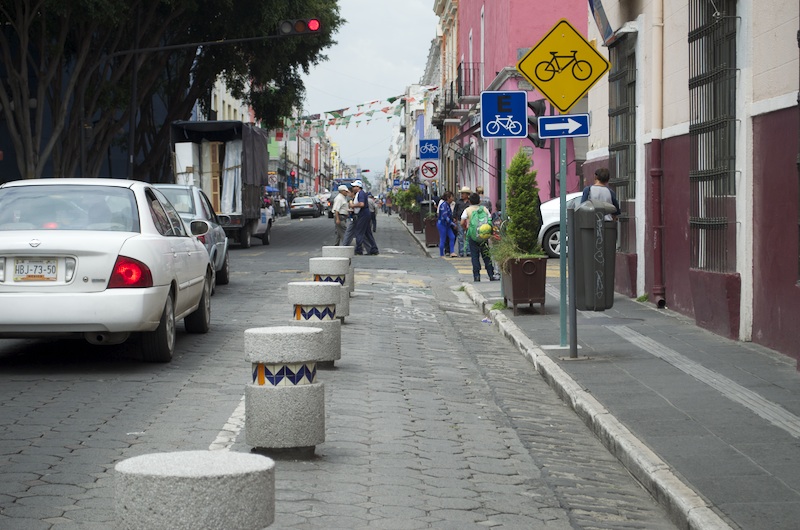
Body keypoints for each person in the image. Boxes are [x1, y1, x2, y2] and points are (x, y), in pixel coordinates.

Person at [461, 192, 499, 282]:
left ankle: (477, 276)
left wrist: (467, 229)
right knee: (486, 255)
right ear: (479, 201)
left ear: (470, 201)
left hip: (473, 236)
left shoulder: (467, 210)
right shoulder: (484, 209)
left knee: (475, 256)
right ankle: (491, 274)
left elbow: (462, 222)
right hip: (484, 235)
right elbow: (490, 220)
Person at [349, 180, 378, 255]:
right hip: (365, 214)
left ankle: (358, 250)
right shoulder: (360, 193)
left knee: (359, 232)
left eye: (354, 186)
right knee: (368, 233)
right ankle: (374, 249)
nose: (352, 188)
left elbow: (361, 204)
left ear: (358, 187)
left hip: (363, 214)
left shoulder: (361, 194)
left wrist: (353, 206)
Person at [436, 191, 457, 257]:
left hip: (447, 225)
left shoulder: (448, 205)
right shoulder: (444, 205)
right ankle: (441, 254)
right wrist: (453, 224)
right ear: (448, 198)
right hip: (442, 225)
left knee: (452, 237)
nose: (453, 198)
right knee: (443, 238)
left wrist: (452, 220)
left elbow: (449, 215)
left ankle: (452, 252)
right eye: (451, 197)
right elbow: (445, 216)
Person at [453, 186, 471, 257]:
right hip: (460, 220)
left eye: (463, 193)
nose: (462, 195)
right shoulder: (458, 202)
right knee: (460, 236)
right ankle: (461, 251)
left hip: (468, 221)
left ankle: (468, 251)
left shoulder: (470, 202)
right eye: (462, 193)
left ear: (467, 195)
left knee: (468, 236)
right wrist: (455, 219)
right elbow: (455, 211)